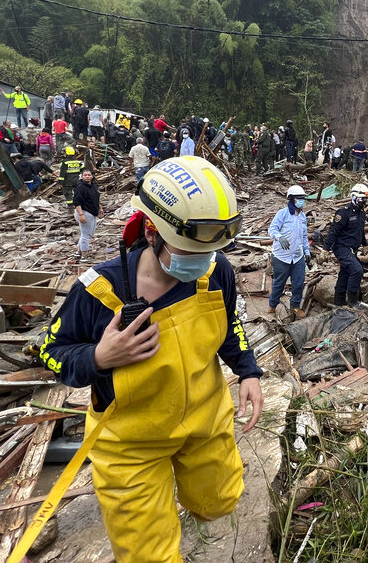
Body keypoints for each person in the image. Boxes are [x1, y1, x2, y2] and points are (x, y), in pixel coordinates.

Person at [36, 156, 263, 563]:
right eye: (192, 249)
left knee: (219, 502)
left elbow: (229, 324)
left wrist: (248, 370)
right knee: (150, 556)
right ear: (151, 231)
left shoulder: (215, 272)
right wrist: (99, 357)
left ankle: (188, 494)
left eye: (212, 250)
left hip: (204, 422)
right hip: (131, 444)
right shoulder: (98, 292)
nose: (204, 260)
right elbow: (51, 353)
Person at [323, 183, 368, 306]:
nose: (364, 201)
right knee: (357, 270)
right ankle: (353, 302)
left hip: (352, 249)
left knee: (345, 273)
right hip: (341, 247)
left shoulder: (361, 213)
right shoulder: (343, 213)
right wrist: (326, 249)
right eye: (363, 198)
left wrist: (364, 244)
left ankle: (339, 302)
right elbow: (333, 231)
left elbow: (360, 231)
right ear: (354, 197)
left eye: (366, 198)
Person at [268, 185, 311, 315]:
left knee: (298, 282)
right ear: (292, 199)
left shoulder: (303, 217)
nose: (302, 201)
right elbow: (272, 229)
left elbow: (304, 236)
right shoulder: (283, 214)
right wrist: (279, 237)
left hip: (297, 256)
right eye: (300, 198)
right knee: (279, 283)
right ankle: (272, 305)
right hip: (281, 256)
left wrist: (307, 251)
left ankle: (295, 306)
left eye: (303, 198)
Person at [73, 169, 103, 261]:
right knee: (86, 235)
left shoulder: (93, 186)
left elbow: (96, 198)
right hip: (84, 212)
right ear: (82, 177)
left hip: (92, 212)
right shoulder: (80, 187)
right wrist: (81, 214)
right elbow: (77, 202)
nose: (87, 176)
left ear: (92, 176)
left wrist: (100, 208)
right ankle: (84, 256)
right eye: (85, 175)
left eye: (89, 175)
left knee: (87, 234)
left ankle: (78, 252)